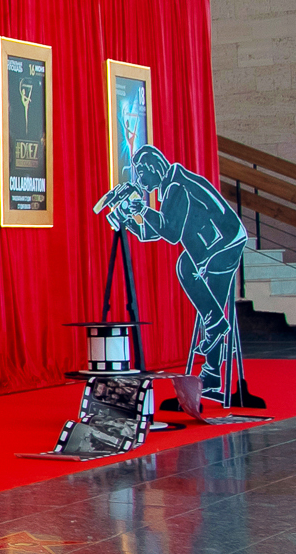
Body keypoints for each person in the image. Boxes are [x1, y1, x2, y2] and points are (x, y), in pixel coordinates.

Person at [105, 145, 249, 403]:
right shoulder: (172, 185)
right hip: (211, 245)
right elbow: (156, 232)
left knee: (193, 275)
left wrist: (142, 210)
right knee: (190, 273)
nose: (140, 180)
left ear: (153, 168)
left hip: (224, 244)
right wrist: (130, 222)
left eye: (141, 173)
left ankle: (214, 344)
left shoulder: (177, 186)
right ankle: (213, 363)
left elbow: (170, 232)